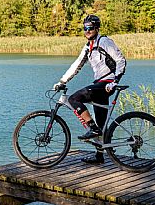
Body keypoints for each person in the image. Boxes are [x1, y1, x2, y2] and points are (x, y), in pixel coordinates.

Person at [53, 14, 126, 164]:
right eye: (85, 28)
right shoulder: (88, 47)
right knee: (101, 123)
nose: (87, 31)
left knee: (74, 99)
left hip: (107, 84)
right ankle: (99, 157)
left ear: (97, 28)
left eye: (90, 28)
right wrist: (62, 81)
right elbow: (76, 65)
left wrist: (116, 80)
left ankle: (92, 128)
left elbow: (121, 60)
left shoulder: (104, 41)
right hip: (99, 84)